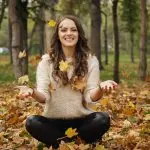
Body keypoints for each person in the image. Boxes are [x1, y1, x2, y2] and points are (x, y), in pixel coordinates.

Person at [17, 15, 117, 148]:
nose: (68, 33)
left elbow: (91, 97)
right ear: (58, 34)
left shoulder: (91, 60)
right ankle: (73, 144)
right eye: (63, 30)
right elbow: (43, 97)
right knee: (31, 122)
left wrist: (101, 87)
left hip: (82, 123)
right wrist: (32, 92)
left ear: (79, 33)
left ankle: (67, 144)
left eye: (73, 30)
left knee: (102, 119)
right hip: (53, 123)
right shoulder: (46, 62)